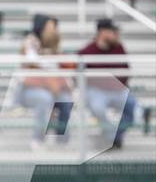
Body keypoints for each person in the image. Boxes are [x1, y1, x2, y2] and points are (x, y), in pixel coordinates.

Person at [15, 14, 73, 150]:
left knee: (65, 99)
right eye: (50, 27)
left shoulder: (54, 43)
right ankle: (37, 139)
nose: (53, 30)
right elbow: (33, 64)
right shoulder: (30, 41)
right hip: (29, 88)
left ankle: (62, 140)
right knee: (44, 98)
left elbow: (58, 67)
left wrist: (60, 83)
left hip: (51, 87)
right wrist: (50, 80)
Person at [79, 18, 136, 149]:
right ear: (102, 32)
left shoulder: (119, 48)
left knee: (133, 106)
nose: (115, 34)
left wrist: (116, 84)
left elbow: (126, 71)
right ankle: (111, 137)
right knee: (97, 107)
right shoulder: (87, 51)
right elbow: (80, 76)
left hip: (118, 90)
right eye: (111, 31)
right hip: (97, 91)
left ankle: (114, 138)